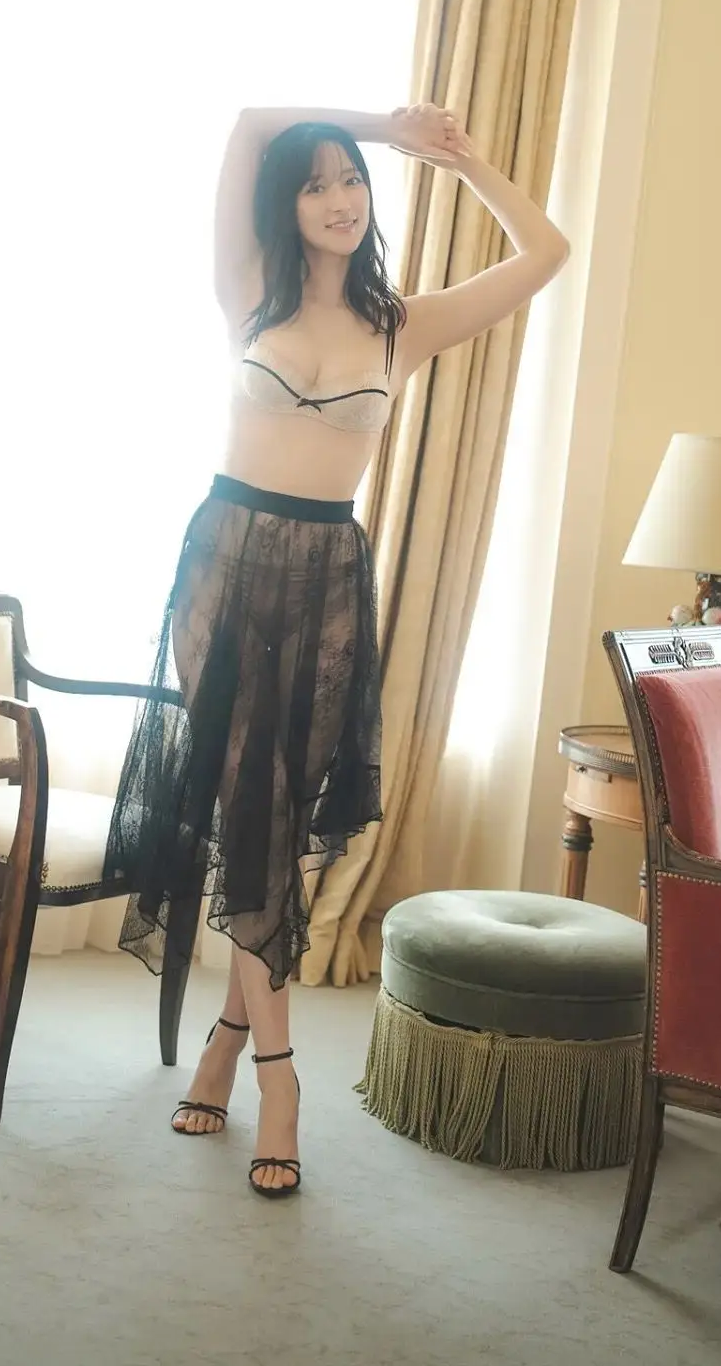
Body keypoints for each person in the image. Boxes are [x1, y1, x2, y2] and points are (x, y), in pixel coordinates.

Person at [104, 102, 570, 1198]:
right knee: (247, 809)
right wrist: (378, 123)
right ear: (290, 201)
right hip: (224, 564)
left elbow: (547, 253)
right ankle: (281, 1081)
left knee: (273, 820)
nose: (339, 199)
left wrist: (458, 158)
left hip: (326, 581)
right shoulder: (247, 288)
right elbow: (249, 123)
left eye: (353, 178)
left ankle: (227, 1044)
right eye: (317, 183)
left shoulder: (405, 326)